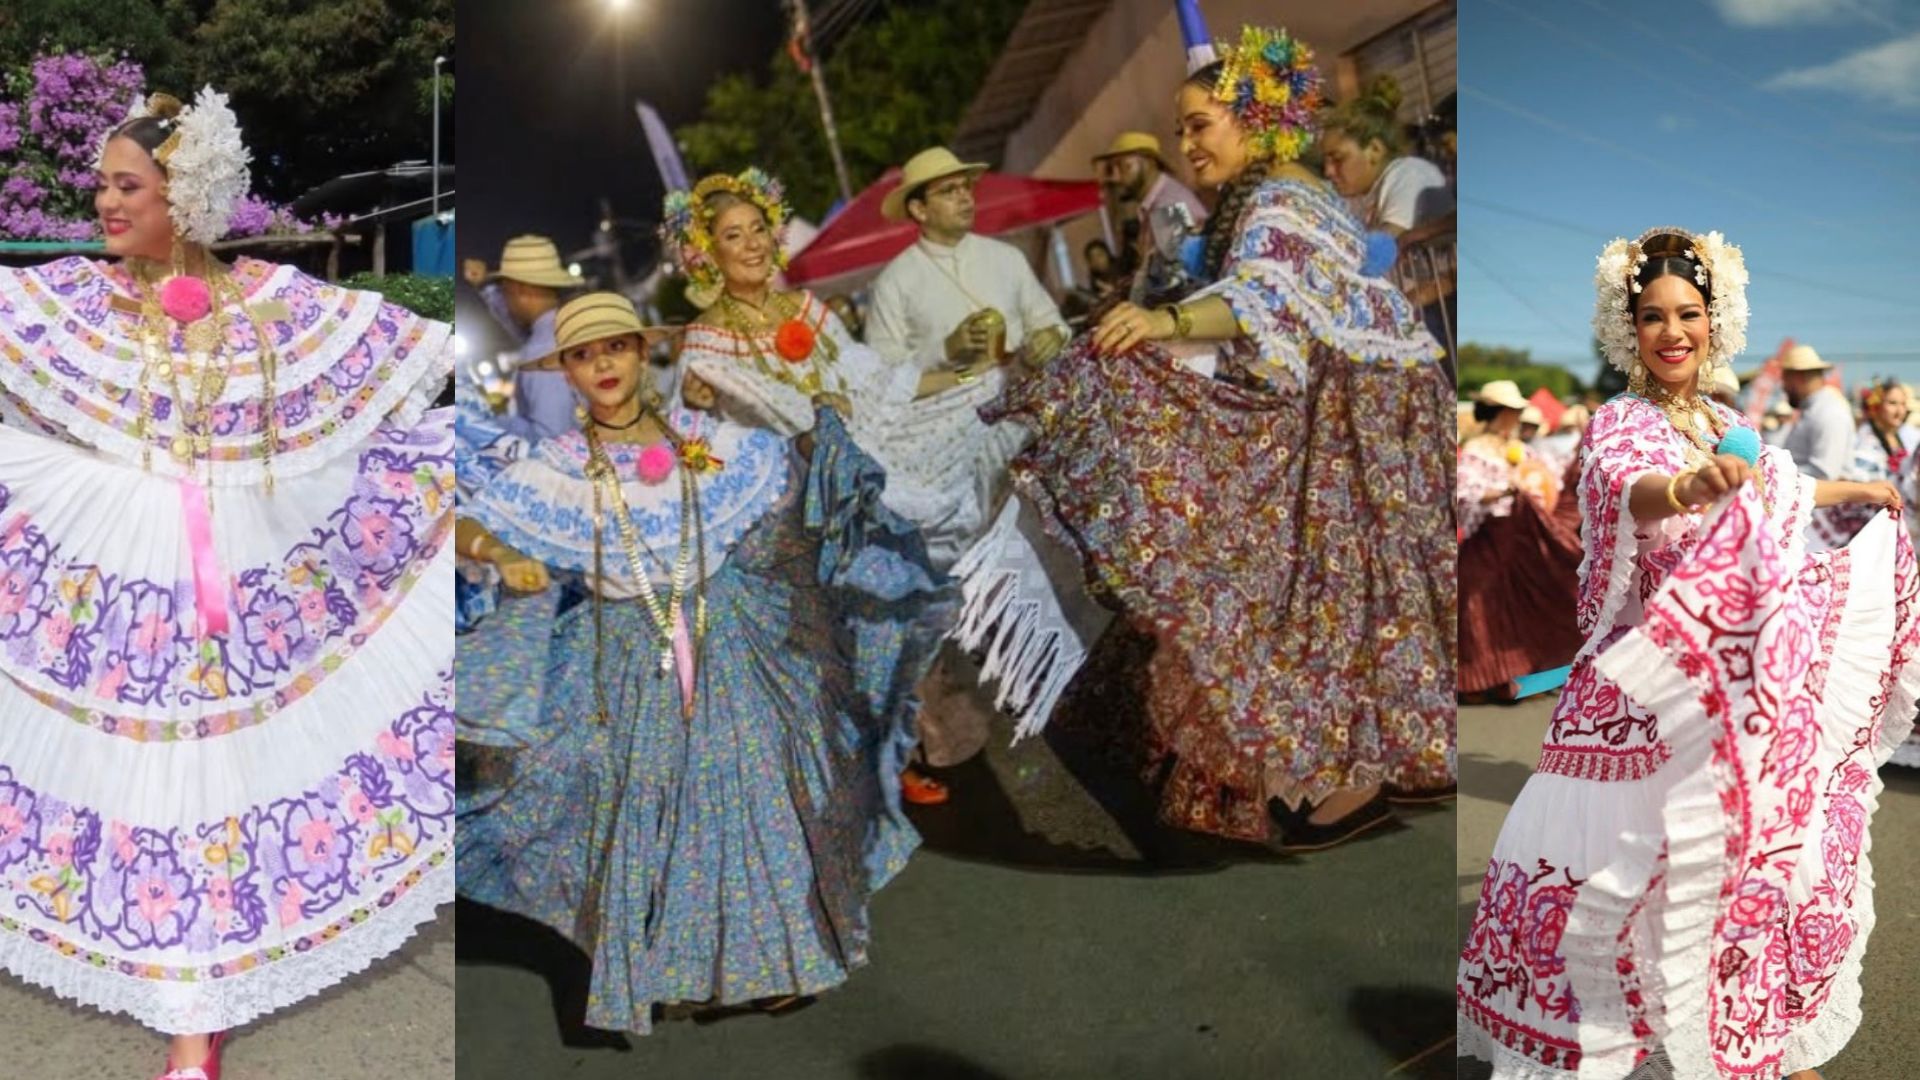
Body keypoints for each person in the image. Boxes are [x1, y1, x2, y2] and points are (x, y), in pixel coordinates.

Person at [0, 90, 454, 1079]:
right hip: (122, 578)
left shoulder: (269, 299)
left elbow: (400, 357)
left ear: (186, 197)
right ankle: (184, 1005)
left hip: (246, 580)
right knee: (144, 784)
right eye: (101, 185)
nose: (105, 203)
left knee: (222, 783)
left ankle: (197, 1014)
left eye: (128, 187)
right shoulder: (74, 296)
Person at [980, 26, 1455, 850]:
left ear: (1256, 121)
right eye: (1181, 129)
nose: (1187, 143)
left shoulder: (1276, 201)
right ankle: (1398, 764)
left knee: (1329, 593)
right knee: (1371, 592)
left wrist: (1162, 321)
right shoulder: (1298, 192)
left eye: (1200, 124)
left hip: (1358, 415)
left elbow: (1260, 297)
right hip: (1377, 404)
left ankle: (1356, 782)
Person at [1457, 228, 1913, 1080]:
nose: (1673, 332)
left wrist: (1858, 488)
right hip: (1649, 678)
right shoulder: (1618, 421)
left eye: (1690, 314)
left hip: (1739, 671)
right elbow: (1625, 487)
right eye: (1653, 316)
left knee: (1749, 857)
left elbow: (1780, 485)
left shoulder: (1726, 420)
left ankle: (1758, 1034)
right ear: (1627, 328)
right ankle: (1642, 1037)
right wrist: (1685, 487)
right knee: (1650, 867)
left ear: (1715, 320)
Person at [454, 293, 951, 1033]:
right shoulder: (557, 468)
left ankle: (768, 961)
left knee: (750, 788)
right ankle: (666, 960)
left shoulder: (696, 439)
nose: (602, 365)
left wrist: (822, 439)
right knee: (643, 802)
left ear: (640, 352)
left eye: (615, 347)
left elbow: (779, 477)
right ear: (566, 372)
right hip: (624, 647)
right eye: (584, 356)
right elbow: (463, 521)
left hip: (732, 631)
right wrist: (500, 553)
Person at [662, 168, 1031, 804]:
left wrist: (958, 379)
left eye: (757, 229)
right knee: (847, 637)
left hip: (861, 480)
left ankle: (924, 742)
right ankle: (880, 764)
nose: (751, 245)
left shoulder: (809, 309)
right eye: (732, 235)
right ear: (706, 254)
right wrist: (698, 404)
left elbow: (872, 379)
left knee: (900, 611)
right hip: (792, 509)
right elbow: (697, 438)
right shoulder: (704, 341)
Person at [866, 147, 1070, 380]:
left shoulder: (1007, 257)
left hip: (1027, 388)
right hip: (953, 400)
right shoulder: (893, 282)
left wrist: (1052, 336)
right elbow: (883, 373)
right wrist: (945, 349)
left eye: (966, 186)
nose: (965, 198)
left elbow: (1053, 323)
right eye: (949, 191)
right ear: (919, 209)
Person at [1456, 382, 1582, 702]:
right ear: (1498, 412)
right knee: (1478, 605)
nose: (1516, 416)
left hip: (1520, 537)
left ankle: (1516, 679)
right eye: (1512, 411)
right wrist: (1504, 490)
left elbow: (1548, 481)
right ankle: (1474, 681)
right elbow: (1465, 491)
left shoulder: (1522, 450)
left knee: (1524, 606)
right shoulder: (1476, 449)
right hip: (1489, 537)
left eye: (1517, 411)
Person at [1321, 77, 1456, 374]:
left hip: (1439, 313)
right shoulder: (1359, 196)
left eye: (1338, 159)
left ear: (1374, 149)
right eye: (1325, 162)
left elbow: (1381, 248)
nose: (1329, 171)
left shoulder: (1407, 173)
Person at [461, 234, 583, 442]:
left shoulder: (542, 351)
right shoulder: (564, 329)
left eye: (505, 292)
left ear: (519, 289)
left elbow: (550, 440)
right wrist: (485, 287)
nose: (505, 302)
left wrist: (488, 418)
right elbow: (520, 329)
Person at [1091, 130, 1209, 278]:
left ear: (1148, 162)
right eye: (1111, 169)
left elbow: (1184, 277)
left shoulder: (1168, 205)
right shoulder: (1155, 205)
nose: (1116, 178)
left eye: (1122, 166)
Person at [1778, 344, 1851, 479]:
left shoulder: (1828, 412)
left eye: (1785, 380)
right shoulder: (1816, 410)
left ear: (1797, 377)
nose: (1783, 387)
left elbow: (1824, 473)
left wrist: (1774, 472)